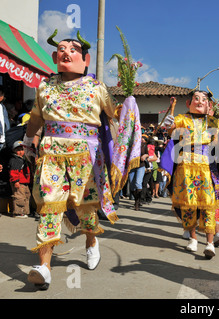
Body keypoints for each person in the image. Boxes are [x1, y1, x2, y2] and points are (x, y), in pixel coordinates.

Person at [23, 31, 135, 290]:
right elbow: (36, 118)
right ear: (54, 56)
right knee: (49, 207)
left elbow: (114, 114)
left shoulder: (97, 88)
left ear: (85, 60)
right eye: (61, 49)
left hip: (87, 157)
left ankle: (91, 241)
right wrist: (28, 142)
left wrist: (128, 102)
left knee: (85, 208)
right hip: (51, 154)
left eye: (73, 49)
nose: (66, 52)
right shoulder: (45, 86)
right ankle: (44, 267)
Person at [160, 91, 219, 258]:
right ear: (189, 103)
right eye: (196, 98)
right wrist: (169, 125)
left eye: (204, 99)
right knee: (188, 204)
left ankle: (210, 243)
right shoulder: (182, 118)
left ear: (209, 105)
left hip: (206, 167)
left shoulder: (214, 122)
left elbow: (217, 147)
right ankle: (193, 238)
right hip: (186, 166)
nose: (200, 101)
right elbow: (172, 131)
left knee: (208, 204)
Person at [8, 141, 31, 218]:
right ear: (14, 151)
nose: (21, 152)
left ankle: (25, 211)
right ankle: (18, 212)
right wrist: (15, 181)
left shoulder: (22, 159)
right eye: (18, 150)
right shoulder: (15, 160)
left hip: (24, 182)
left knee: (26, 196)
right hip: (18, 182)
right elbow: (13, 172)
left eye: (22, 149)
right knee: (19, 197)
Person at [129, 136, 149, 210]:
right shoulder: (129, 145)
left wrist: (145, 155)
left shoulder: (143, 145)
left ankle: (137, 202)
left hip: (141, 165)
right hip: (131, 166)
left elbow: (147, 154)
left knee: (138, 183)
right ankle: (136, 199)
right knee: (131, 184)